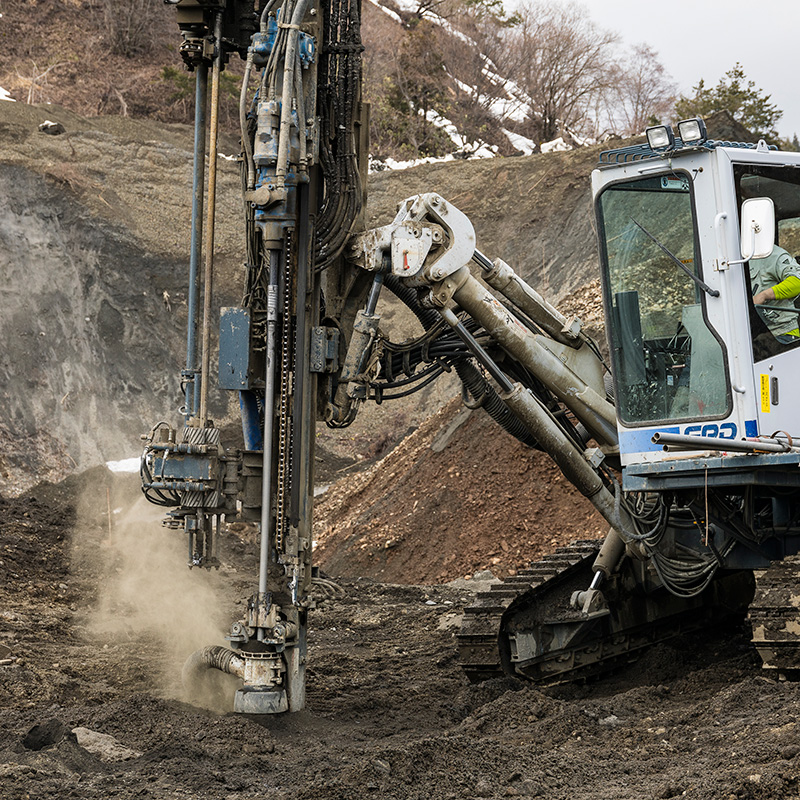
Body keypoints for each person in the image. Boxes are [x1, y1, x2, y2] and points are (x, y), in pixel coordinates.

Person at [750, 243, 800, 341]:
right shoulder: (731, 259)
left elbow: (797, 281)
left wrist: (764, 295)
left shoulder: (770, 254)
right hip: (754, 334)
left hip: (783, 334)